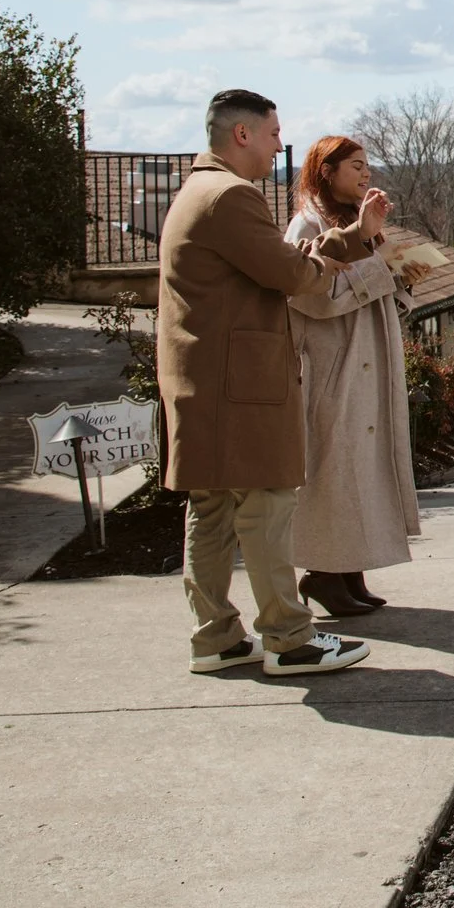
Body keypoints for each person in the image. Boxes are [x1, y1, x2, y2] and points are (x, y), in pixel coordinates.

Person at [161, 89, 386, 677]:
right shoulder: (231, 197)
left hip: (201, 381)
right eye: (271, 133)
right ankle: (290, 639)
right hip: (242, 385)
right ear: (242, 135)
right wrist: (325, 263)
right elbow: (289, 272)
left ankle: (216, 637)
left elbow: (275, 263)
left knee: (209, 511)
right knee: (265, 505)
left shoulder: (195, 192)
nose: (279, 144)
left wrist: (350, 239)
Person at [286, 135, 433, 619]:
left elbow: (376, 283)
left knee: (363, 469)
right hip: (333, 366)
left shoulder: (355, 222)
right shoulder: (307, 223)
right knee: (335, 470)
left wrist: (402, 276)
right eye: (355, 166)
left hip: (368, 362)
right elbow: (310, 295)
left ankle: (351, 570)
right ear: (326, 171)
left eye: (368, 165)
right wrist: (379, 270)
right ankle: (324, 575)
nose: (366, 174)